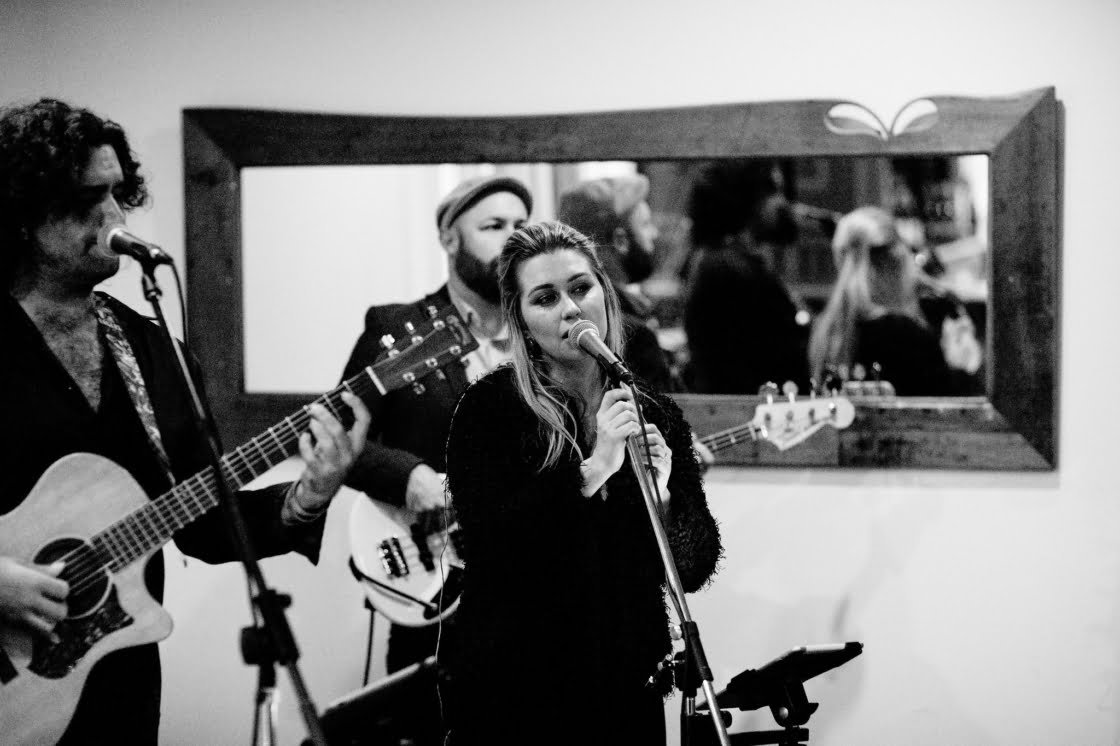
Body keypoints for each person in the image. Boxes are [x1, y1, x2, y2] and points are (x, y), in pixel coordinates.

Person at [0, 98, 370, 744]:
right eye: (89, 198)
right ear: (24, 214)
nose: (116, 216)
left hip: (121, 674)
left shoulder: (152, 350)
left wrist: (307, 496)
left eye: (118, 193)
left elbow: (201, 521)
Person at [443, 221, 722, 745]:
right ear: (522, 321)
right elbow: (494, 548)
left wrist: (662, 494)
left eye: (580, 288)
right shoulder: (488, 410)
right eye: (545, 298)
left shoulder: (653, 411)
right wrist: (593, 469)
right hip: (517, 693)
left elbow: (695, 566)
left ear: (605, 295)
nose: (571, 309)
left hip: (628, 689)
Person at [339, 173, 532, 743]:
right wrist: (412, 478)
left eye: (521, 225)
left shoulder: (544, 334)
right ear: (450, 239)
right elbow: (339, 444)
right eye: (493, 226)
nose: (512, 238)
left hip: (532, 595)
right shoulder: (397, 328)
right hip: (434, 590)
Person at [807, 205, 982, 395]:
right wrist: (960, 365)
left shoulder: (824, 333)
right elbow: (949, 405)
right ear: (897, 260)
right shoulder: (908, 337)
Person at [683, 160, 810, 394]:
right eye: (772, 191)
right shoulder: (728, 268)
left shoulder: (720, 261)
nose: (781, 203)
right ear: (747, 197)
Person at [557, 175, 676, 391]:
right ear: (621, 240)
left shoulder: (573, 318)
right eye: (645, 224)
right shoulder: (631, 332)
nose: (654, 233)